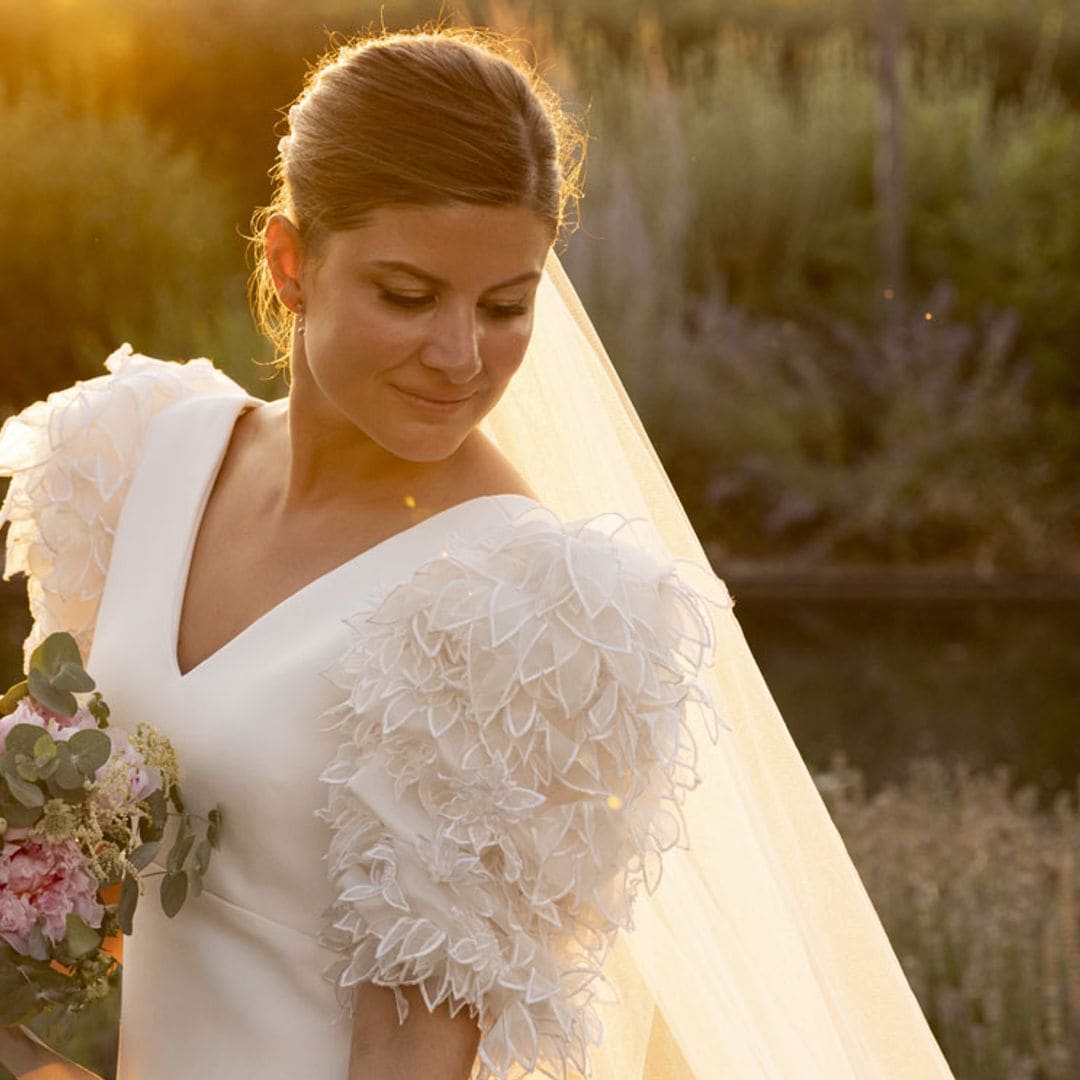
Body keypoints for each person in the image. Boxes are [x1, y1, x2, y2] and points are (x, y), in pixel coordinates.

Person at [0, 26, 954, 1080]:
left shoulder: (517, 610)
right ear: (290, 260)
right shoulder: (145, 457)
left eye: (507, 306)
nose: (462, 359)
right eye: (408, 297)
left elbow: (417, 1046)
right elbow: (78, 845)